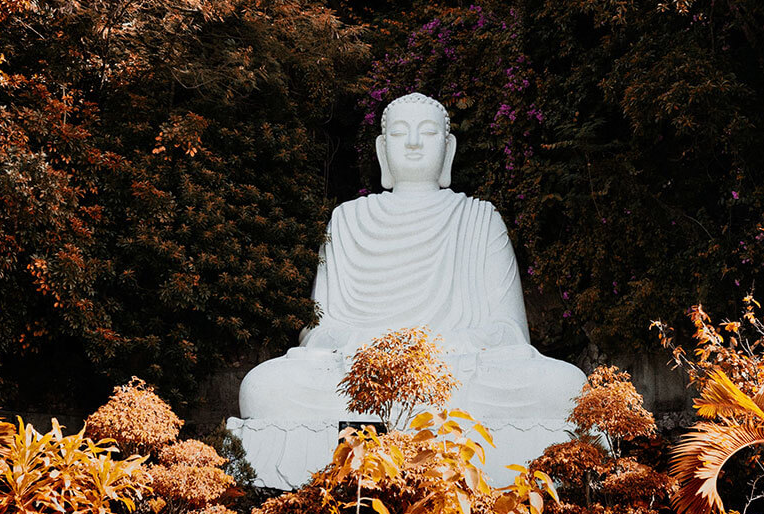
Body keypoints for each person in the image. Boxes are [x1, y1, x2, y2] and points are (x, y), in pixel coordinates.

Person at [238, 92, 585, 422]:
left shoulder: (479, 219)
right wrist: (364, 348)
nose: (414, 143)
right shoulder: (347, 220)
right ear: (381, 149)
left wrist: (449, 347)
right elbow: (321, 331)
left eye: (429, 132)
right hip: (365, 376)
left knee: (565, 388)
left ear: (448, 149)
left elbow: (509, 332)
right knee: (263, 388)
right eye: (400, 133)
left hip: (459, 370)